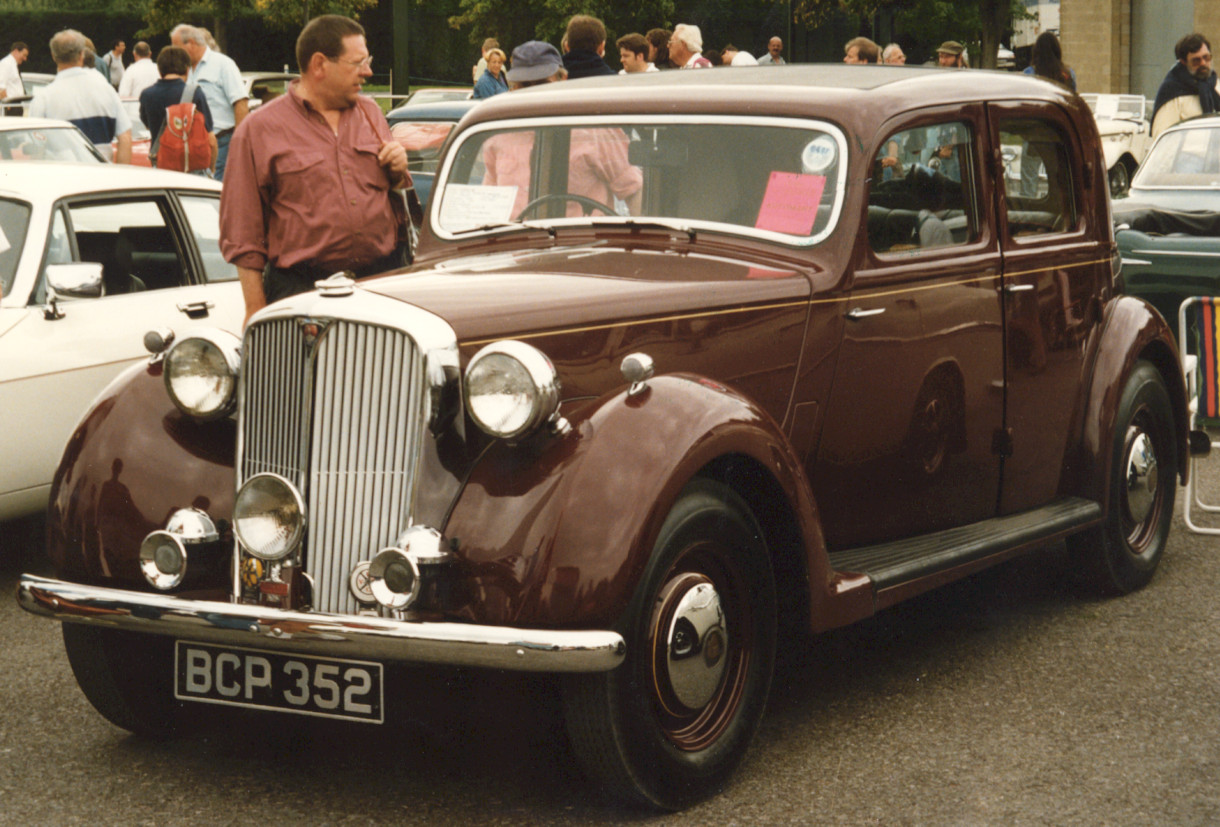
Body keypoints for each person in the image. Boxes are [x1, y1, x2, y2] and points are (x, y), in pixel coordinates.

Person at [220, 15, 409, 324]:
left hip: (379, 287)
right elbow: (242, 232)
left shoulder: (372, 113)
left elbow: (396, 195)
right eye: (358, 62)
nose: (368, 71)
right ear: (320, 65)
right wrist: (255, 310)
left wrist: (398, 170)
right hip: (302, 298)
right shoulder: (259, 129)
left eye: (368, 60)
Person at [483, 41, 641, 219]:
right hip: (514, 242)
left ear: (562, 80)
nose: (534, 93)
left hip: (582, 243)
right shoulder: (499, 135)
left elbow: (634, 191)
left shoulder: (596, 131)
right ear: (513, 87)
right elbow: (488, 201)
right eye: (525, 85)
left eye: (542, 83)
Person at [30, 29, 131, 163]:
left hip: (64, 178)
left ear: (53, 56)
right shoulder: (106, 89)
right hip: (104, 177)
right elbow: (125, 137)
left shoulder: (43, 98)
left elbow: (37, 148)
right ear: (82, 54)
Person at [171, 23, 248, 181]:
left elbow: (240, 102)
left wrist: (238, 143)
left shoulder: (223, 64)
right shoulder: (183, 70)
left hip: (221, 143)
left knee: (214, 193)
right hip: (193, 146)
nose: (175, 53)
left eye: (177, 47)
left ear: (191, 43)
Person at [139, 45, 215, 174]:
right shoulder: (195, 93)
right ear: (187, 69)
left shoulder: (146, 95)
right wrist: (211, 170)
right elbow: (211, 140)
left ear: (159, 69)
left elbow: (147, 126)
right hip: (191, 167)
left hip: (161, 164)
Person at [1152, 33, 1220, 137]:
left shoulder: (1215, 86)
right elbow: (1163, 138)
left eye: (1206, 57)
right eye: (1196, 60)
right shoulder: (1171, 92)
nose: (1203, 63)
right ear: (1183, 62)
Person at [0, 42, 28, 115]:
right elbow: (1, 87)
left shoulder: (13, 65)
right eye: (24, 55)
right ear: (16, 51)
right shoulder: (6, 63)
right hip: (11, 105)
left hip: (16, 105)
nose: (25, 59)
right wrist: (8, 106)